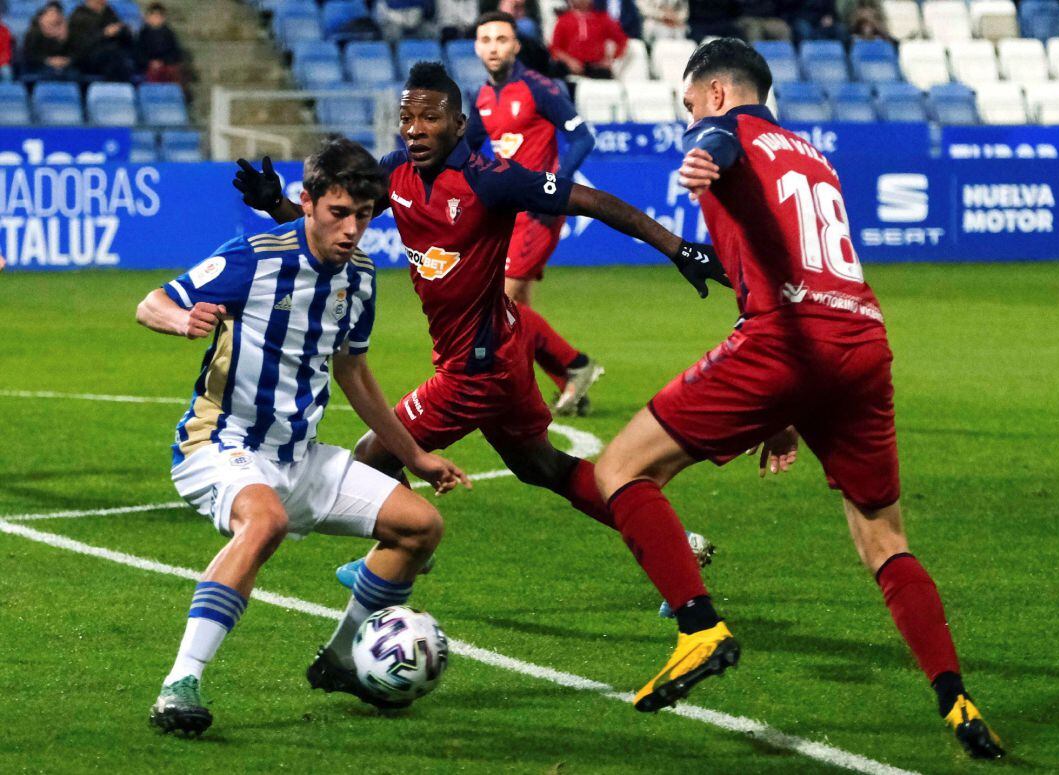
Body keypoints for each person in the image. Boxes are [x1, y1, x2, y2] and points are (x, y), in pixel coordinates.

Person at [592, 38, 1005, 760]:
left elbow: (721, 138)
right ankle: (955, 697)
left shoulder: (719, 130)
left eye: (690, 104)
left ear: (716, 92)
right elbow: (796, 258)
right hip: (862, 344)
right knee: (885, 538)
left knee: (620, 469)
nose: (689, 117)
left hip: (785, 341)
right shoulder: (813, 155)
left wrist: (706, 152)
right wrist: (786, 410)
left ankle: (698, 627)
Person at [233, 61, 728, 607]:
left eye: (430, 118)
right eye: (407, 118)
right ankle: (673, 546)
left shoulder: (491, 180)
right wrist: (276, 205)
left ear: (460, 123)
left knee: (375, 454)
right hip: (500, 354)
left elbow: (590, 201)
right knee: (545, 468)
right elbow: (338, 216)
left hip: (475, 368)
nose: (416, 129)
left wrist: (679, 248)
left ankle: (402, 555)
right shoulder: (393, 172)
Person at [137, 137, 470, 737]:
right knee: (264, 523)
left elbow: (354, 373)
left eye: (363, 217)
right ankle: (179, 683)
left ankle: (343, 659)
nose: (351, 230)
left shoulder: (361, 278)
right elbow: (151, 303)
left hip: (300, 457)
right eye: (338, 213)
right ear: (307, 201)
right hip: (220, 443)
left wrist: (413, 454)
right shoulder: (255, 255)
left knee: (421, 527)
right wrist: (182, 320)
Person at [468, 11, 601, 416]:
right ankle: (569, 381)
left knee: (500, 305)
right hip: (509, 211)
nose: (493, 47)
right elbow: (469, 150)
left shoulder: (539, 87)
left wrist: (555, 184)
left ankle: (573, 365)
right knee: (518, 307)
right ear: (477, 47)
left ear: (516, 45)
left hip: (536, 211)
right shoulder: (482, 97)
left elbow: (581, 137)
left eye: (501, 39)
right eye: (486, 39)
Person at [549, 0, 628, 80]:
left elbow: (622, 41)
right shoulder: (564, 20)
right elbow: (555, 48)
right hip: (572, 67)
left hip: (596, 67)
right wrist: (569, 61)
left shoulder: (603, 19)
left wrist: (611, 59)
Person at [68, 0, 136, 81]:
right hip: (87, 56)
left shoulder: (108, 12)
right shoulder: (78, 16)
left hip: (111, 53)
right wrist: (104, 33)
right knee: (114, 58)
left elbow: (120, 31)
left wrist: (124, 30)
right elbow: (80, 43)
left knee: (123, 56)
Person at [22, 2, 76, 81]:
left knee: (73, 74)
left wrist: (62, 39)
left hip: (64, 67)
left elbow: (75, 53)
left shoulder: (68, 33)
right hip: (38, 67)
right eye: (50, 13)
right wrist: (48, 61)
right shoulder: (33, 33)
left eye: (57, 13)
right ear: (42, 17)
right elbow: (29, 56)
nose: (54, 16)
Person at [135, 2, 185, 86]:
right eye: (153, 16)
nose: (155, 19)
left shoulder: (169, 34)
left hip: (165, 65)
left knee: (172, 71)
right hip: (147, 66)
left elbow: (175, 53)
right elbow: (138, 53)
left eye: (158, 16)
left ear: (163, 18)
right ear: (148, 17)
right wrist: (150, 63)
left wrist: (162, 62)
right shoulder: (142, 34)